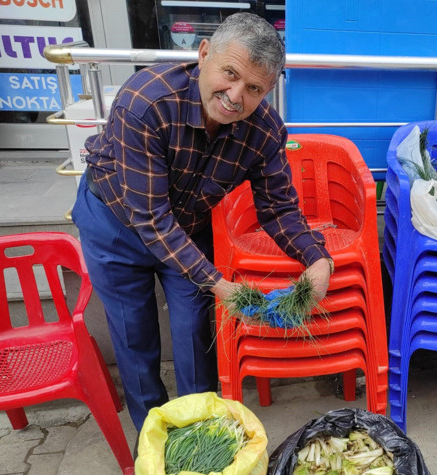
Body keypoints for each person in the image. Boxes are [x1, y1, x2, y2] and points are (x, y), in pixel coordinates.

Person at [71, 13, 333, 431]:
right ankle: (154, 436)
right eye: (229, 74)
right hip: (116, 223)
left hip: (188, 227)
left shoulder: (264, 132)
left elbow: (279, 208)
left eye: (253, 89)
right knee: (134, 337)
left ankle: (201, 431)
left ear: (268, 90)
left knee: (195, 330)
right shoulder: (146, 102)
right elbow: (151, 218)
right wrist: (218, 283)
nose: (234, 96)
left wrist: (318, 260)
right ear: (203, 54)